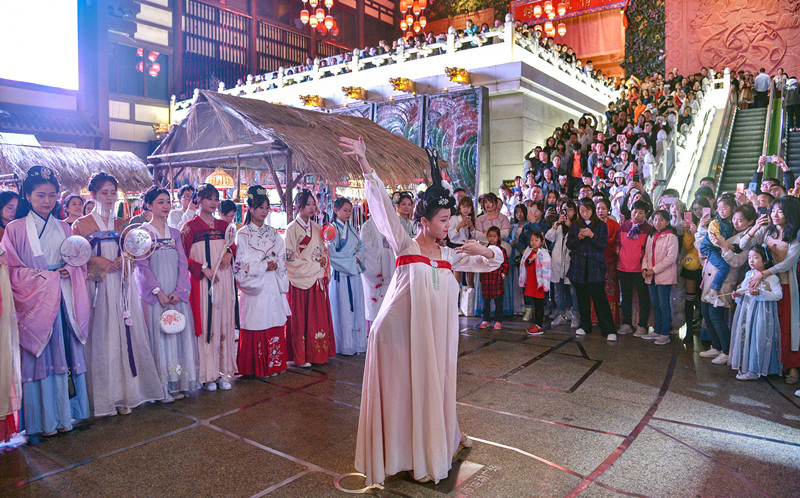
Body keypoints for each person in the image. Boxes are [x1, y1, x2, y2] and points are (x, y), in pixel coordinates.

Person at [340, 136, 503, 486]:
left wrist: (486, 249)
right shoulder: (405, 246)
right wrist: (365, 163)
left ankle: (433, 446)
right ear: (425, 220)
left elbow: (494, 262)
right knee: (403, 395)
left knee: (433, 389)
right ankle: (401, 454)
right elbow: (382, 208)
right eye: (444, 219)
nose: (449, 225)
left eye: (451, 219)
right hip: (401, 339)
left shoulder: (449, 256)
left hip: (437, 345)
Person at [3, 166, 90, 436]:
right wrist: (48, 277)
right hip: (37, 304)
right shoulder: (15, 229)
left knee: (64, 350)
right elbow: (12, 272)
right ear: (28, 196)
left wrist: (71, 270)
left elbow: (80, 263)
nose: (47, 201)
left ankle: (68, 416)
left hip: (63, 298)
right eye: (40, 195)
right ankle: (42, 422)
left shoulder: (65, 227)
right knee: (39, 356)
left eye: (52, 195)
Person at [72, 173, 162, 416]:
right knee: (103, 334)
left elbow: (134, 251)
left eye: (113, 192)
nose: (110, 197)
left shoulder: (123, 224)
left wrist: (125, 259)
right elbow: (75, 257)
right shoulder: (81, 224)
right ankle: (105, 398)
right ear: (92, 195)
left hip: (122, 284)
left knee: (126, 333)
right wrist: (98, 261)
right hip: (98, 286)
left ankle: (128, 393)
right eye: (104, 193)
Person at [134, 186, 199, 401]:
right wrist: (157, 291)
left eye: (167, 201)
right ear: (149, 205)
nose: (165, 206)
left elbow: (183, 262)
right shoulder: (141, 233)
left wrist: (180, 291)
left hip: (176, 292)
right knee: (159, 336)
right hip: (156, 294)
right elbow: (141, 266)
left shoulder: (175, 233)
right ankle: (160, 388)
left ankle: (177, 383)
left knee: (177, 334)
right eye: (160, 202)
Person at [181, 184, 237, 391]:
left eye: (216, 199)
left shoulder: (225, 226)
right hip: (202, 282)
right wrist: (202, 269)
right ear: (198, 200)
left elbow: (232, 247)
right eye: (209, 198)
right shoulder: (189, 228)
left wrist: (230, 254)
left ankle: (222, 372)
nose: (213, 202)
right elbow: (183, 257)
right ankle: (206, 375)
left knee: (223, 322)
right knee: (207, 324)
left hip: (223, 279)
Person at [738, 197, 800, 384]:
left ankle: (792, 366)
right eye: (773, 210)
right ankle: (769, 364)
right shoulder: (767, 231)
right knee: (765, 326)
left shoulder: (796, 236)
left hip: (786, 285)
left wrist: (764, 272)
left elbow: (788, 262)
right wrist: (755, 228)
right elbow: (742, 246)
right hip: (764, 284)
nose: (774, 214)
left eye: (780, 211)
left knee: (787, 326)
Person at [233, 186, 290, 377]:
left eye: (266, 207)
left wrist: (277, 263)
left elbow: (282, 255)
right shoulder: (243, 235)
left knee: (273, 319)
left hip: (272, 284)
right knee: (257, 320)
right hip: (256, 288)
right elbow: (241, 264)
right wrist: (264, 265)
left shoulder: (274, 233)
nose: (264, 211)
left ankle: (273, 364)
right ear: (250, 208)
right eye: (260, 207)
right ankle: (255, 367)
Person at [696, 204, 755, 365]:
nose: (736, 222)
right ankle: (716, 346)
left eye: (741, 220)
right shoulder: (726, 228)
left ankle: (727, 351)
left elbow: (738, 261)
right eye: (735, 218)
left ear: (750, 222)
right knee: (706, 313)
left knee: (716, 316)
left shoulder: (747, 238)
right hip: (710, 276)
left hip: (725, 280)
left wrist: (723, 246)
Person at [284, 189, 336, 367]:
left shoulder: (317, 227)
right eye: (308, 204)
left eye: (313, 204)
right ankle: (301, 357)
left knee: (317, 318)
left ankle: (317, 354)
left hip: (316, 279)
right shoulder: (291, 229)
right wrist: (314, 266)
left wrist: (324, 262)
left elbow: (323, 250)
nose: (312, 207)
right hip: (301, 278)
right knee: (301, 318)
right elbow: (289, 257)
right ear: (299, 206)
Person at [567, 198, 617, 340]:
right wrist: (578, 238)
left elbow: (603, 245)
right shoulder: (575, 225)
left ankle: (608, 329)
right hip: (579, 266)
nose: (584, 213)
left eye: (587, 210)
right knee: (582, 298)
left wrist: (592, 235)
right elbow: (570, 244)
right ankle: (585, 326)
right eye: (582, 210)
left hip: (595, 266)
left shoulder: (600, 225)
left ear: (592, 210)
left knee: (599, 298)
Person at [729, 246, 782, 380]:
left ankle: (754, 369)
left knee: (758, 338)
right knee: (747, 337)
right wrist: (738, 295)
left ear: (765, 261)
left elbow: (778, 295)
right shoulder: (748, 274)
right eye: (749, 258)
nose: (751, 261)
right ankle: (746, 366)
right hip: (747, 313)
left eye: (755, 257)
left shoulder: (772, 278)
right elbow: (745, 291)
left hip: (761, 314)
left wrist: (761, 293)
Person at [328, 197, 367, 355]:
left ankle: (357, 344)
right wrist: (353, 261)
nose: (348, 213)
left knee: (357, 307)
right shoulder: (331, 230)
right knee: (343, 309)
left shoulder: (350, 229)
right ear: (336, 210)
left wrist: (357, 257)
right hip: (342, 276)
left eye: (349, 211)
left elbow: (362, 247)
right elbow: (331, 255)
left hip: (354, 274)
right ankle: (344, 344)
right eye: (345, 210)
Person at [641, 210, 679, 345]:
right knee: (655, 304)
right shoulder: (652, 235)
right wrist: (645, 268)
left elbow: (671, 258)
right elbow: (646, 253)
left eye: (661, 220)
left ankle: (664, 333)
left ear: (668, 222)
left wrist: (653, 270)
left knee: (664, 305)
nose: (657, 222)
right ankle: (656, 330)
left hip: (664, 276)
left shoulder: (671, 237)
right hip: (651, 276)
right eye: (655, 220)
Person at [615, 200, 652, 336]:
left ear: (646, 214)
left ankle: (642, 325)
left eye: (640, 213)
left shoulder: (648, 229)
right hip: (623, 267)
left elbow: (649, 250)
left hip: (640, 269)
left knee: (643, 297)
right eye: (635, 211)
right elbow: (617, 243)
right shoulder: (624, 226)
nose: (636, 215)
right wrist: (619, 252)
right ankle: (626, 323)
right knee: (626, 297)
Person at [359, 209, 395, 334]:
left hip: (388, 268)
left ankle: (386, 330)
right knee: (373, 300)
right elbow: (366, 249)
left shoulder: (388, 225)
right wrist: (386, 254)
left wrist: (390, 254)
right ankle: (373, 332)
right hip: (373, 270)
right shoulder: (367, 226)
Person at [547, 199, 579, 328]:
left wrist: (571, 225)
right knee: (558, 291)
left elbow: (577, 239)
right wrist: (557, 224)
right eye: (564, 209)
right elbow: (549, 237)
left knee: (573, 291)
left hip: (570, 262)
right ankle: (561, 314)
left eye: (569, 209)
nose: (566, 212)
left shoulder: (577, 224)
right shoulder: (558, 224)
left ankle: (576, 315)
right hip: (557, 262)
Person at [700, 196, 735, 304]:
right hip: (710, 248)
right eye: (719, 208)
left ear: (732, 208)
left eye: (724, 208)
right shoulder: (715, 222)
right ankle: (712, 294)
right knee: (723, 267)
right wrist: (726, 245)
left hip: (717, 248)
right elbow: (714, 238)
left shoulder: (732, 221)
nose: (721, 211)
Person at [519, 231, 551, 335]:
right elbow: (525, 263)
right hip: (531, 282)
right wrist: (531, 259)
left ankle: (539, 325)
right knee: (534, 304)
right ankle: (536, 323)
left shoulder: (544, 253)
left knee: (539, 305)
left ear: (542, 242)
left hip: (539, 283)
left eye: (536, 240)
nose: (533, 242)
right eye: (532, 240)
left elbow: (547, 267)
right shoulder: (529, 252)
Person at [478, 226, 509, 330]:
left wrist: (503, 274)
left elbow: (506, 265)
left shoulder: (502, 250)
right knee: (485, 302)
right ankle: (485, 319)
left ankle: (498, 320)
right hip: (486, 279)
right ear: (487, 237)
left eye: (494, 236)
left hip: (497, 280)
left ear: (498, 238)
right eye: (490, 236)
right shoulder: (484, 249)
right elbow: (480, 263)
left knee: (498, 302)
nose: (492, 238)